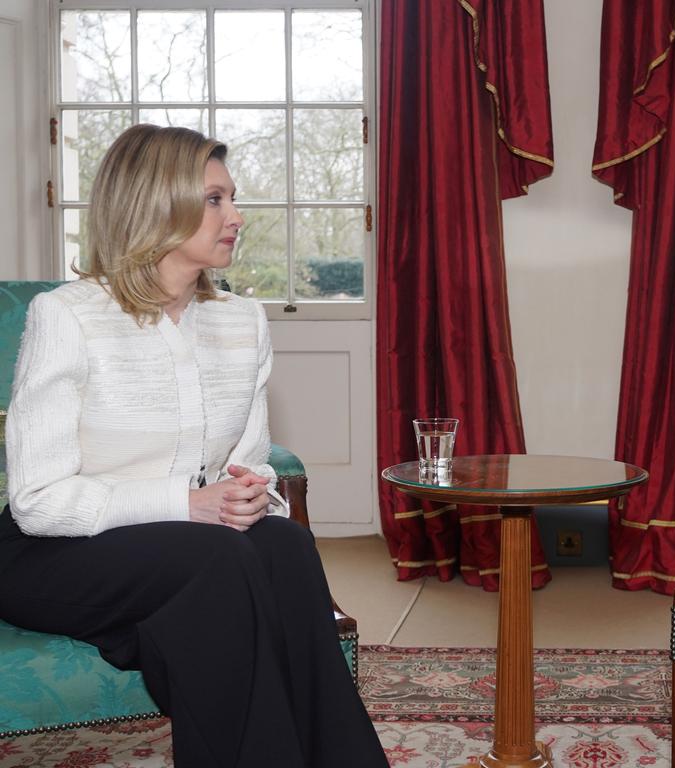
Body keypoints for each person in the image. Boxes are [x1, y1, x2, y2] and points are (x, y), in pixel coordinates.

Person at [0, 124, 389, 768]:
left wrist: (247, 496)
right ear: (154, 203)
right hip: (50, 552)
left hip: (187, 551)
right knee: (218, 562)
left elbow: (250, 459)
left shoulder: (241, 322)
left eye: (232, 198)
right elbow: (38, 502)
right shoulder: (67, 316)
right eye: (215, 199)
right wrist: (190, 504)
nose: (236, 217)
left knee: (283, 545)